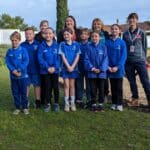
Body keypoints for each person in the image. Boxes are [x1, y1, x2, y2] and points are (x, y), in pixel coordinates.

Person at [123, 13, 150, 107]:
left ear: (137, 20)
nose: (132, 21)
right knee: (132, 82)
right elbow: (125, 48)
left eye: (134, 19)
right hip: (129, 62)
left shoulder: (142, 32)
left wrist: (145, 59)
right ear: (128, 21)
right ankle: (135, 100)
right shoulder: (125, 34)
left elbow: (145, 46)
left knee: (145, 82)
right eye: (130, 19)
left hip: (140, 61)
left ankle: (149, 100)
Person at [5, 31, 29, 115]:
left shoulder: (23, 50)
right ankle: (17, 107)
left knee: (23, 93)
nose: (14, 42)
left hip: (23, 76)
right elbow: (7, 62)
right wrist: (13, 70)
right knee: (15, 93)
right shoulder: (9, 51)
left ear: (19, 40)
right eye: (12, 40)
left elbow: (26, 61)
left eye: (16, 40)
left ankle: (25, 107)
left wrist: (19, 70)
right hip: (13, 77)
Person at [84, 30, 108, 112]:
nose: (94, 38)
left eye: (96, 36)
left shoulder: (103, 47)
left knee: (101, 89)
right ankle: (93, 104)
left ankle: (100, 104)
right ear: (90, 38)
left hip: (101, 73)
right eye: (93, 36)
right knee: (93, 89)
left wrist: (101, 69)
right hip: (91, 73)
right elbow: (86, 59)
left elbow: (105, 59)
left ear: (99, 37)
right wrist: (92, 68)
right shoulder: (88, 47)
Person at [38, 27, 60, 112]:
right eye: (46, 33)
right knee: (47, 87)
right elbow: (40, 58)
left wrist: (54, 67)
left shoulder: (57, 45)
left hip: (55, 70)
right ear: (44, 35)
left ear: (53, 34)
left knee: (55, 87)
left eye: (50, 33)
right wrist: (47, 67)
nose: (48, 35)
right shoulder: (41, 46)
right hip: (45, 71)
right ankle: (48, 103)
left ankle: (56, 103)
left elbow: (59, 58)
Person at [59, 28, 81, 112]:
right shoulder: (62, 44)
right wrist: (68, 66)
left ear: (72, 35)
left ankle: (72, 103)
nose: (66, 36)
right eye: (64, 35)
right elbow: (63, 56)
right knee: (66, 86)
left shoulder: (76, 44)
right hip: (65, 69)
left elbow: (77, 56)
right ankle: (66, 104)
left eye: (68, 34)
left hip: (74, 69)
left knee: (72, 86)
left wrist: (72, 66)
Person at [106, 24, 127, 111]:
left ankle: (119, 104)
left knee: (119, 87)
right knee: (113, 87)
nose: (114, 30)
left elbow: (124, 56)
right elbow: (105, 55)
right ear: (110, 31)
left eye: (116, 29)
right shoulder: (107, 42)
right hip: (110, 69)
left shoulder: (122, 42)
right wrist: (107, 66)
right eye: (112, 29)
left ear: (119, 31)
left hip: (118, 69)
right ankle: (114, 103)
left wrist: (118, 67)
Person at [21, 27, 41, 109]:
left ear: (33, 34)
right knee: (26, 85)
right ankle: (25, 101)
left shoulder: (38, 44)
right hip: (25, 70)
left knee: (37, 85)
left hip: (36, 69)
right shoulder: (22, 45)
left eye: (30, 34)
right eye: (27, 34)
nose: (28, 35)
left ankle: (37, 102)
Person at [91, 18, 110, 101]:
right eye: (95, 24)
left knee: (104, 79)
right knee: (94, 81)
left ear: (101, 25)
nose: (96, 25)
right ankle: (94, 97)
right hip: (94, 59)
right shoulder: (91, 34)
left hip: (104, 59)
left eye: (98, 24)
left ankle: (104, 95)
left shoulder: (105, 34)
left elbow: (109, 45)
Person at [75, 28, 91, 107]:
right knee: (79, 85)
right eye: (82, 34)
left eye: (85, 34)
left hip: (88, 69)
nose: (83, 35)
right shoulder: (77, 45)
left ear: (88, 36)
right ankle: (79, 100)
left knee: (89, 85)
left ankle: (89, 100)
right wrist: (76, 67)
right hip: (79, 68)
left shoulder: (90, 45)